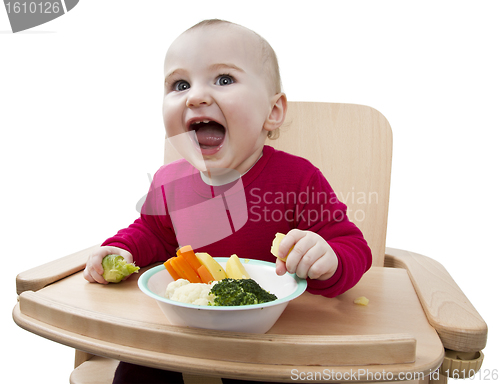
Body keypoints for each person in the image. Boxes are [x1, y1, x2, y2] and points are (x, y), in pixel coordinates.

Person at [84, 19, 372, 384]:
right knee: (133, 373)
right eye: (180, 84)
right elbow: (152, 234)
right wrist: (123, 250)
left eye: (223, 80)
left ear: (273, 112)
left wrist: (327, 258)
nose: (196, 96)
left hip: (267, 343)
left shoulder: (298, 179)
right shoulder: (168, 181)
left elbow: (352, 245)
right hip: (181, 329)